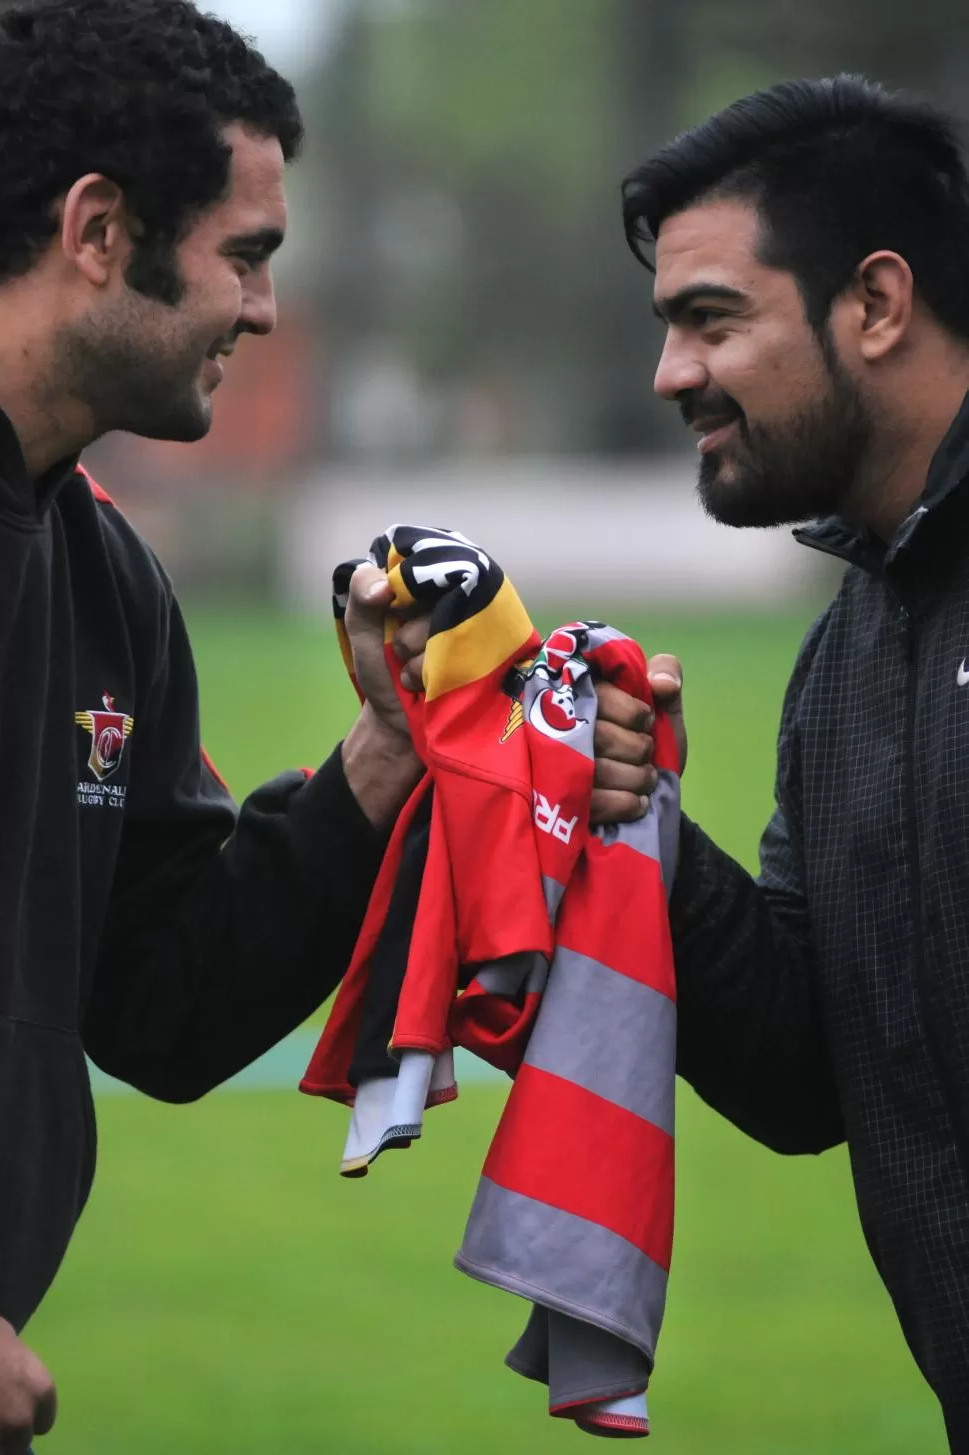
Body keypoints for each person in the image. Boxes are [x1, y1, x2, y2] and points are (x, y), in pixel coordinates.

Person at [0, 2, 655, 1449]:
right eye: (245, 256)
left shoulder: (106, 579)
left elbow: (165, 1007)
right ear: (98, 232)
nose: (264, 311)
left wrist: (387, 753)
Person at [622, 74, 969, 1450]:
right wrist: (641, 824)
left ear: (875, 304)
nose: (672, 374)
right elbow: (804, 1078)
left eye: (712, 320)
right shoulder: (848, 656)